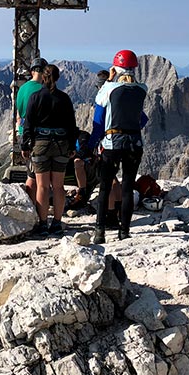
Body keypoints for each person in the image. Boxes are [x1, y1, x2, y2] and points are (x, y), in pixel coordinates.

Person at [87, 50, 149, 244]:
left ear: (116, 67)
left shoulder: (108, 89)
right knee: (127, 188)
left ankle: (100, 232)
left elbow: (98, 121)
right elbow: (143, 119)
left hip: (112, 142)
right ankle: (124, 231)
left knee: (105, 187)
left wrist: (91, 146)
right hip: (134, 143)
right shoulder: (142, 89)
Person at [21, 64, 77, 235]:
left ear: (43, 77)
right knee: (59, 186)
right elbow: (71, 124)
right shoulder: (64, 98)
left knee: (43, 186)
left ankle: (43, 224)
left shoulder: (35, 97)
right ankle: (57, 223)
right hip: (61, 144)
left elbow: (28, 123)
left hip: (41, 144)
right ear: (58, 78)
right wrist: (72, 144)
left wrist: (25, 145)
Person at [15, 56, 47, 201]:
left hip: (23, 134)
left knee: (31, 174)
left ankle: (29, 206)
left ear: (32, 71)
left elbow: (18, 115)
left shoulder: (22, 89)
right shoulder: (44, 89)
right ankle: (38, 212)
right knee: (39, 179)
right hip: (38, 136)